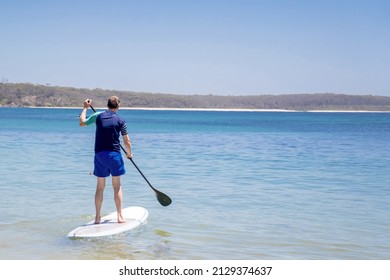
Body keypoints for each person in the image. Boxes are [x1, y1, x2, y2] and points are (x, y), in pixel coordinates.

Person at [79, 96, 132, 224]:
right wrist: (129, 154)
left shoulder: (98, 115)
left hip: (100, 155)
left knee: (100, 187)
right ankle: (120, 216)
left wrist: (85, 108)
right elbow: (127, 141)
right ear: (118, 106)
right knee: (117, 186)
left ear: (107, 105)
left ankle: (97, 217)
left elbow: (82, 123)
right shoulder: (121, 120)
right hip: (114, 155)